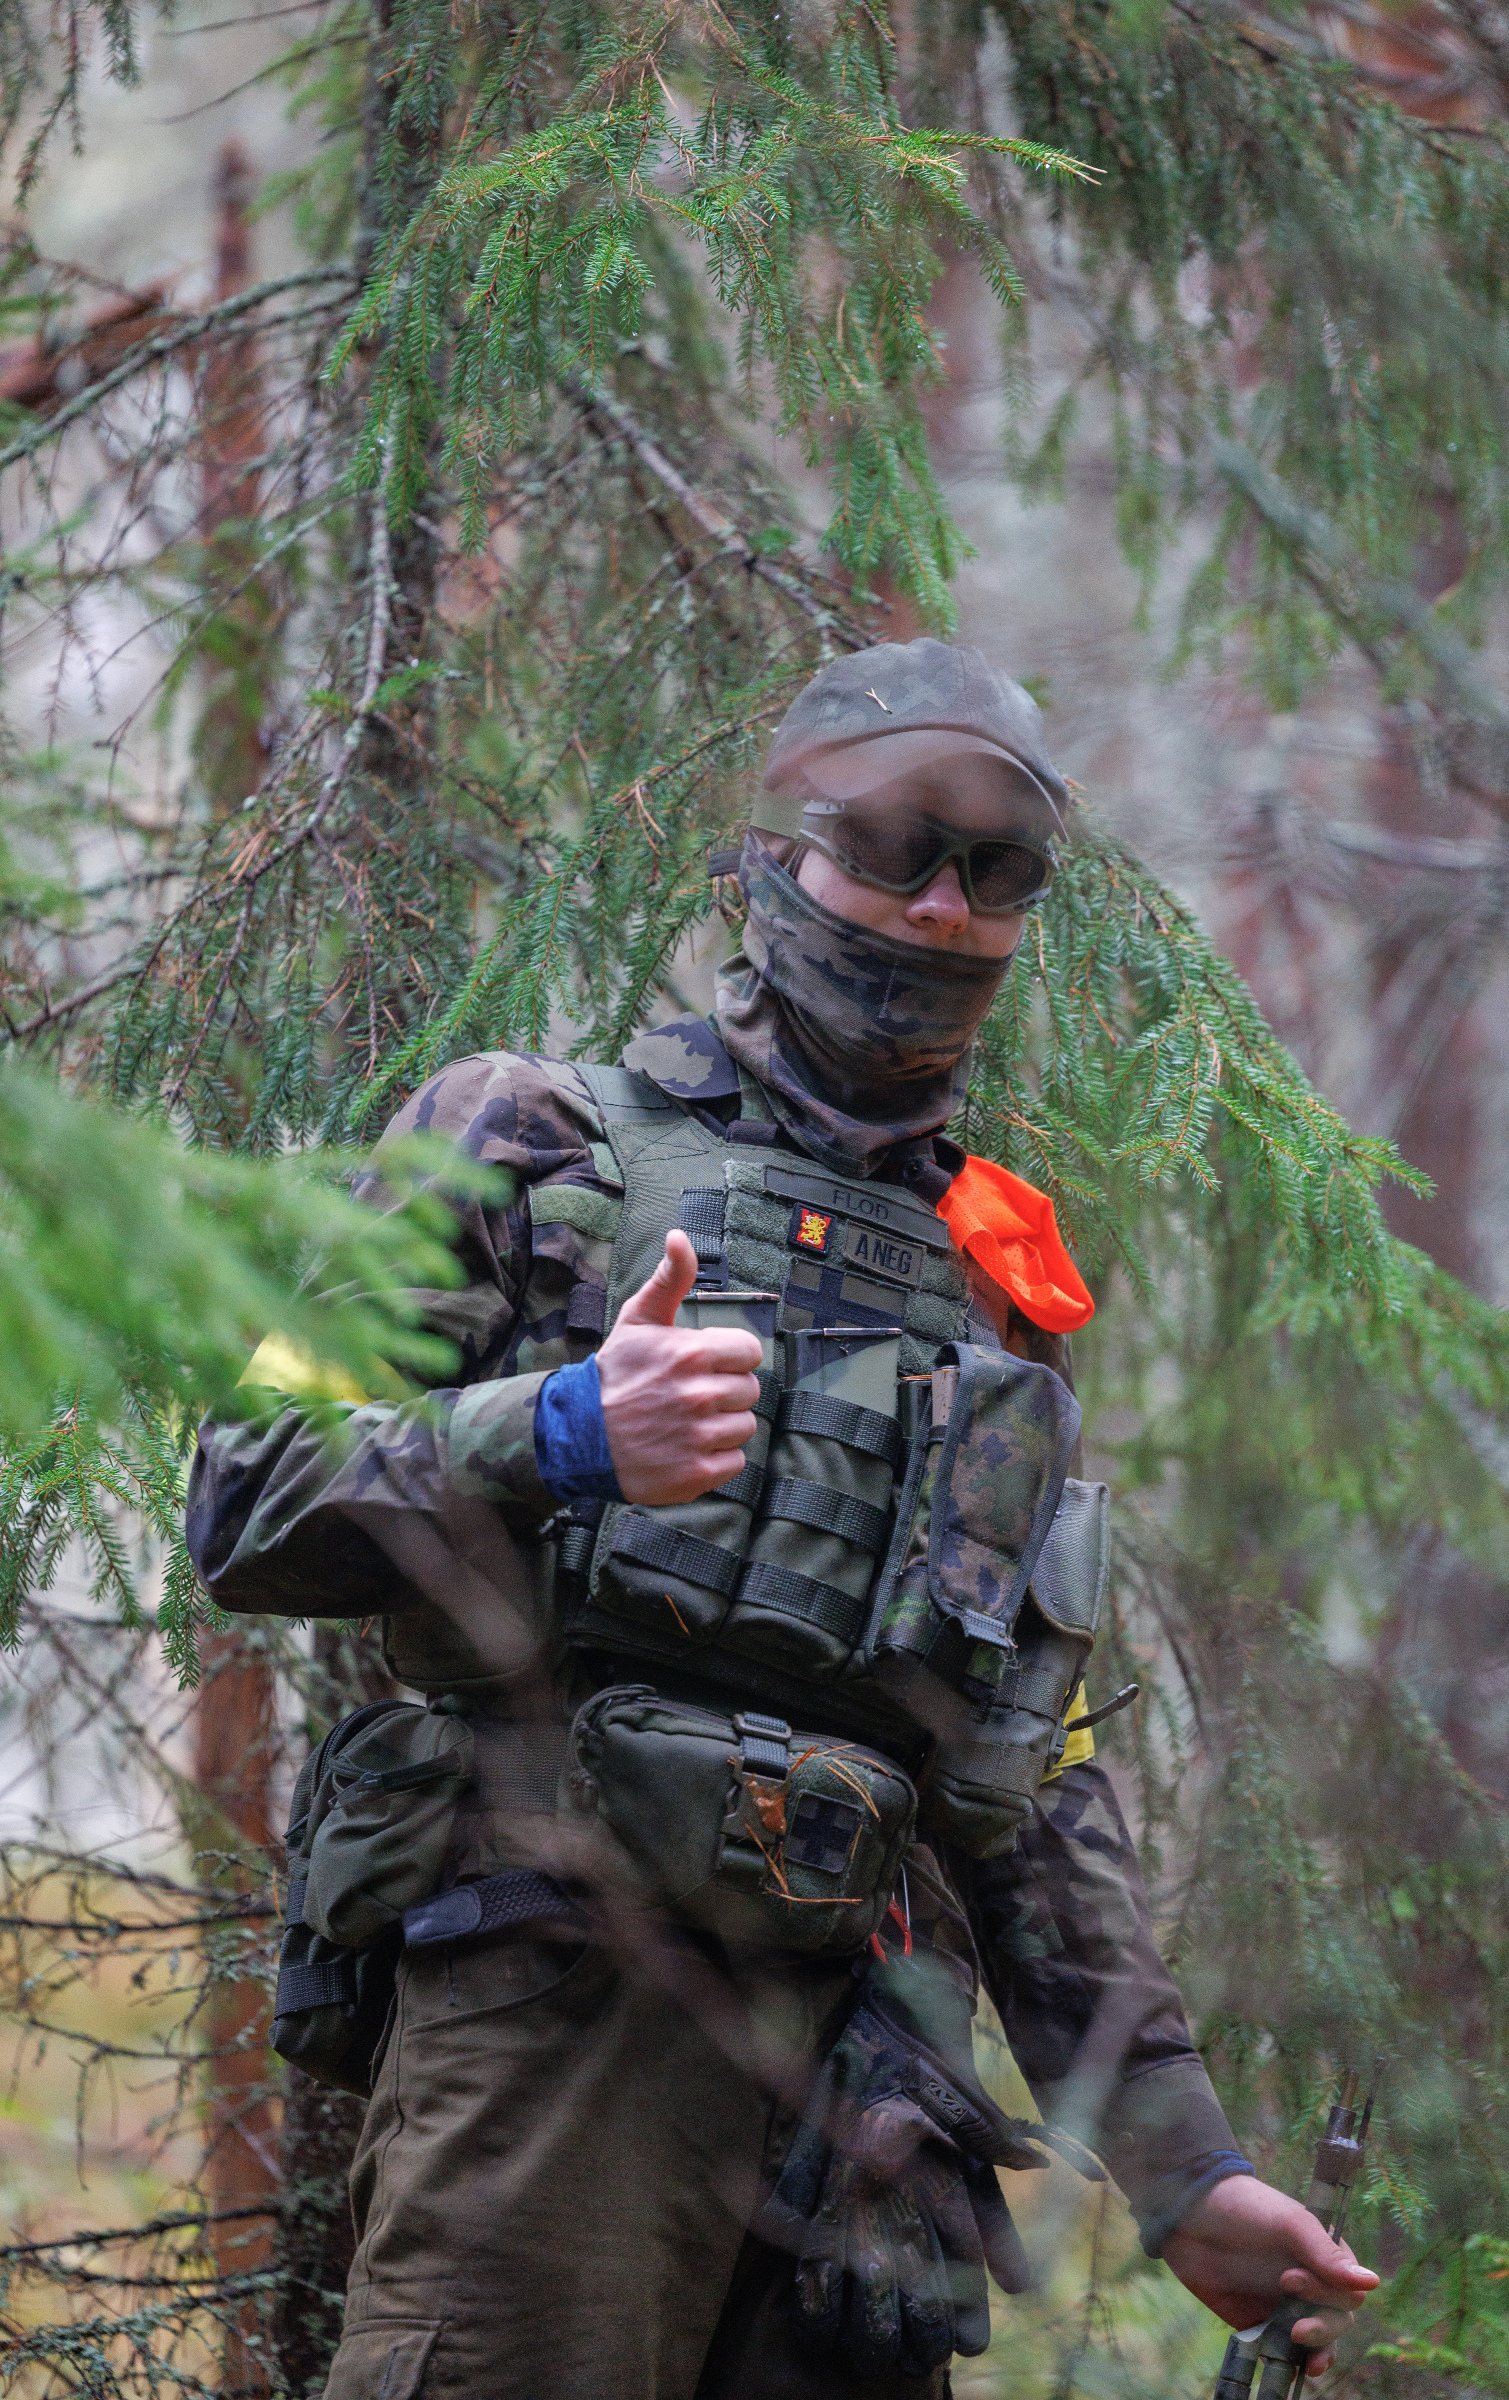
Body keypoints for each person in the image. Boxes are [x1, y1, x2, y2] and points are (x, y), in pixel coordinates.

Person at [187, 639, 1378, 2400]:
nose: (939, 905)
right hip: (553, 2021)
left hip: (867, 2114)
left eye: (994, 868)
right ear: (768, 860)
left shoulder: (998, 1288)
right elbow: (245, 1491)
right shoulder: (525, 1133)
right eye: (890, 844)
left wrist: (1182, 2166)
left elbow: (1022, 1769)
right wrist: (561, 1430)